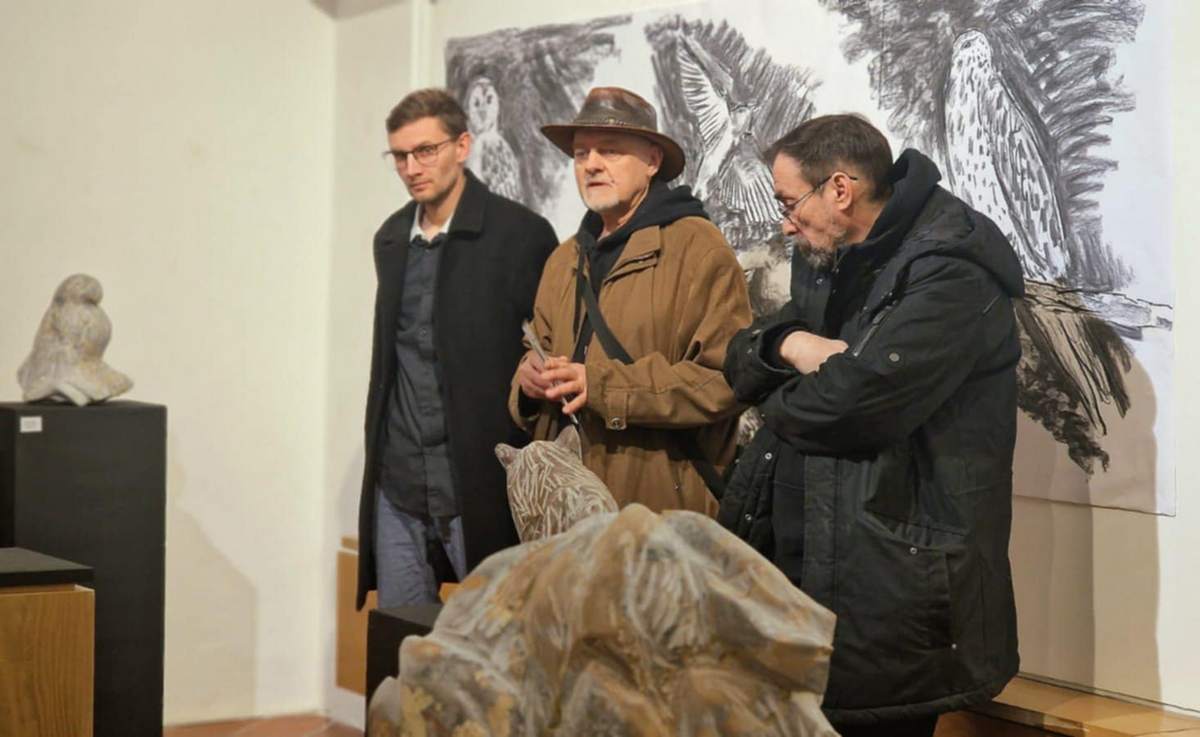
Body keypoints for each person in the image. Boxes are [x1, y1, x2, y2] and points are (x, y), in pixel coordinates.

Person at [718, 114, 1023, 735]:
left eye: (789, 202)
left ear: (839, 189)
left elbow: (853, 405)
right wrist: (793, 346)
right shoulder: (829, 256)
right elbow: (742, 357)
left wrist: (775, 401)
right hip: (810, 572)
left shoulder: (951, 269)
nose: (785, 222)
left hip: (892, 589)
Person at [356, 89, 558, 609]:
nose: (411, 168)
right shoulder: (392, 239)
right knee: (402, 641)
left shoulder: (521, 235)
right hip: (399, 482)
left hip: (478, 480)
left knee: (494, 637)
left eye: (426, 151)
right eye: (400, 156)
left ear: (462, 146)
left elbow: (550, 346)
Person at [509, 86, 751, 516]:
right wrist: (528, 384)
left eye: (610, 150)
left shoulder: (699, 250)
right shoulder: (564, 259)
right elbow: (537, 349)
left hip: (661, 511)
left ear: (652, 161)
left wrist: (602, 387)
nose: (591, 164)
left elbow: (725, 382)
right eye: (581, 153)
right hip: (567, 513)